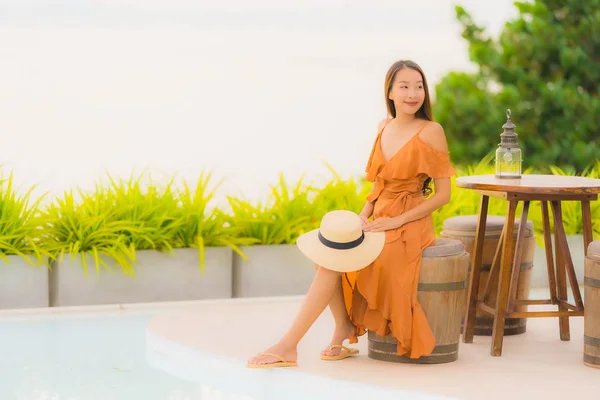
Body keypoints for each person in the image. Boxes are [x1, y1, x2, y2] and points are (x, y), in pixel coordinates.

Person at [247, 59, 455, 368]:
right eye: (405, 86)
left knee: (335, 263)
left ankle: (288, 345)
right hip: (378, 218)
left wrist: (397, 219)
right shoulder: (383, 127)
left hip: (410, 224)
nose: (413, 93)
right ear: (390, 92)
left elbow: (443, 196)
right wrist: (363, 214)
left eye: (419, 86)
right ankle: (342, 325)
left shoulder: (431, 131)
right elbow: (379, 183)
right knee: (327, 255)